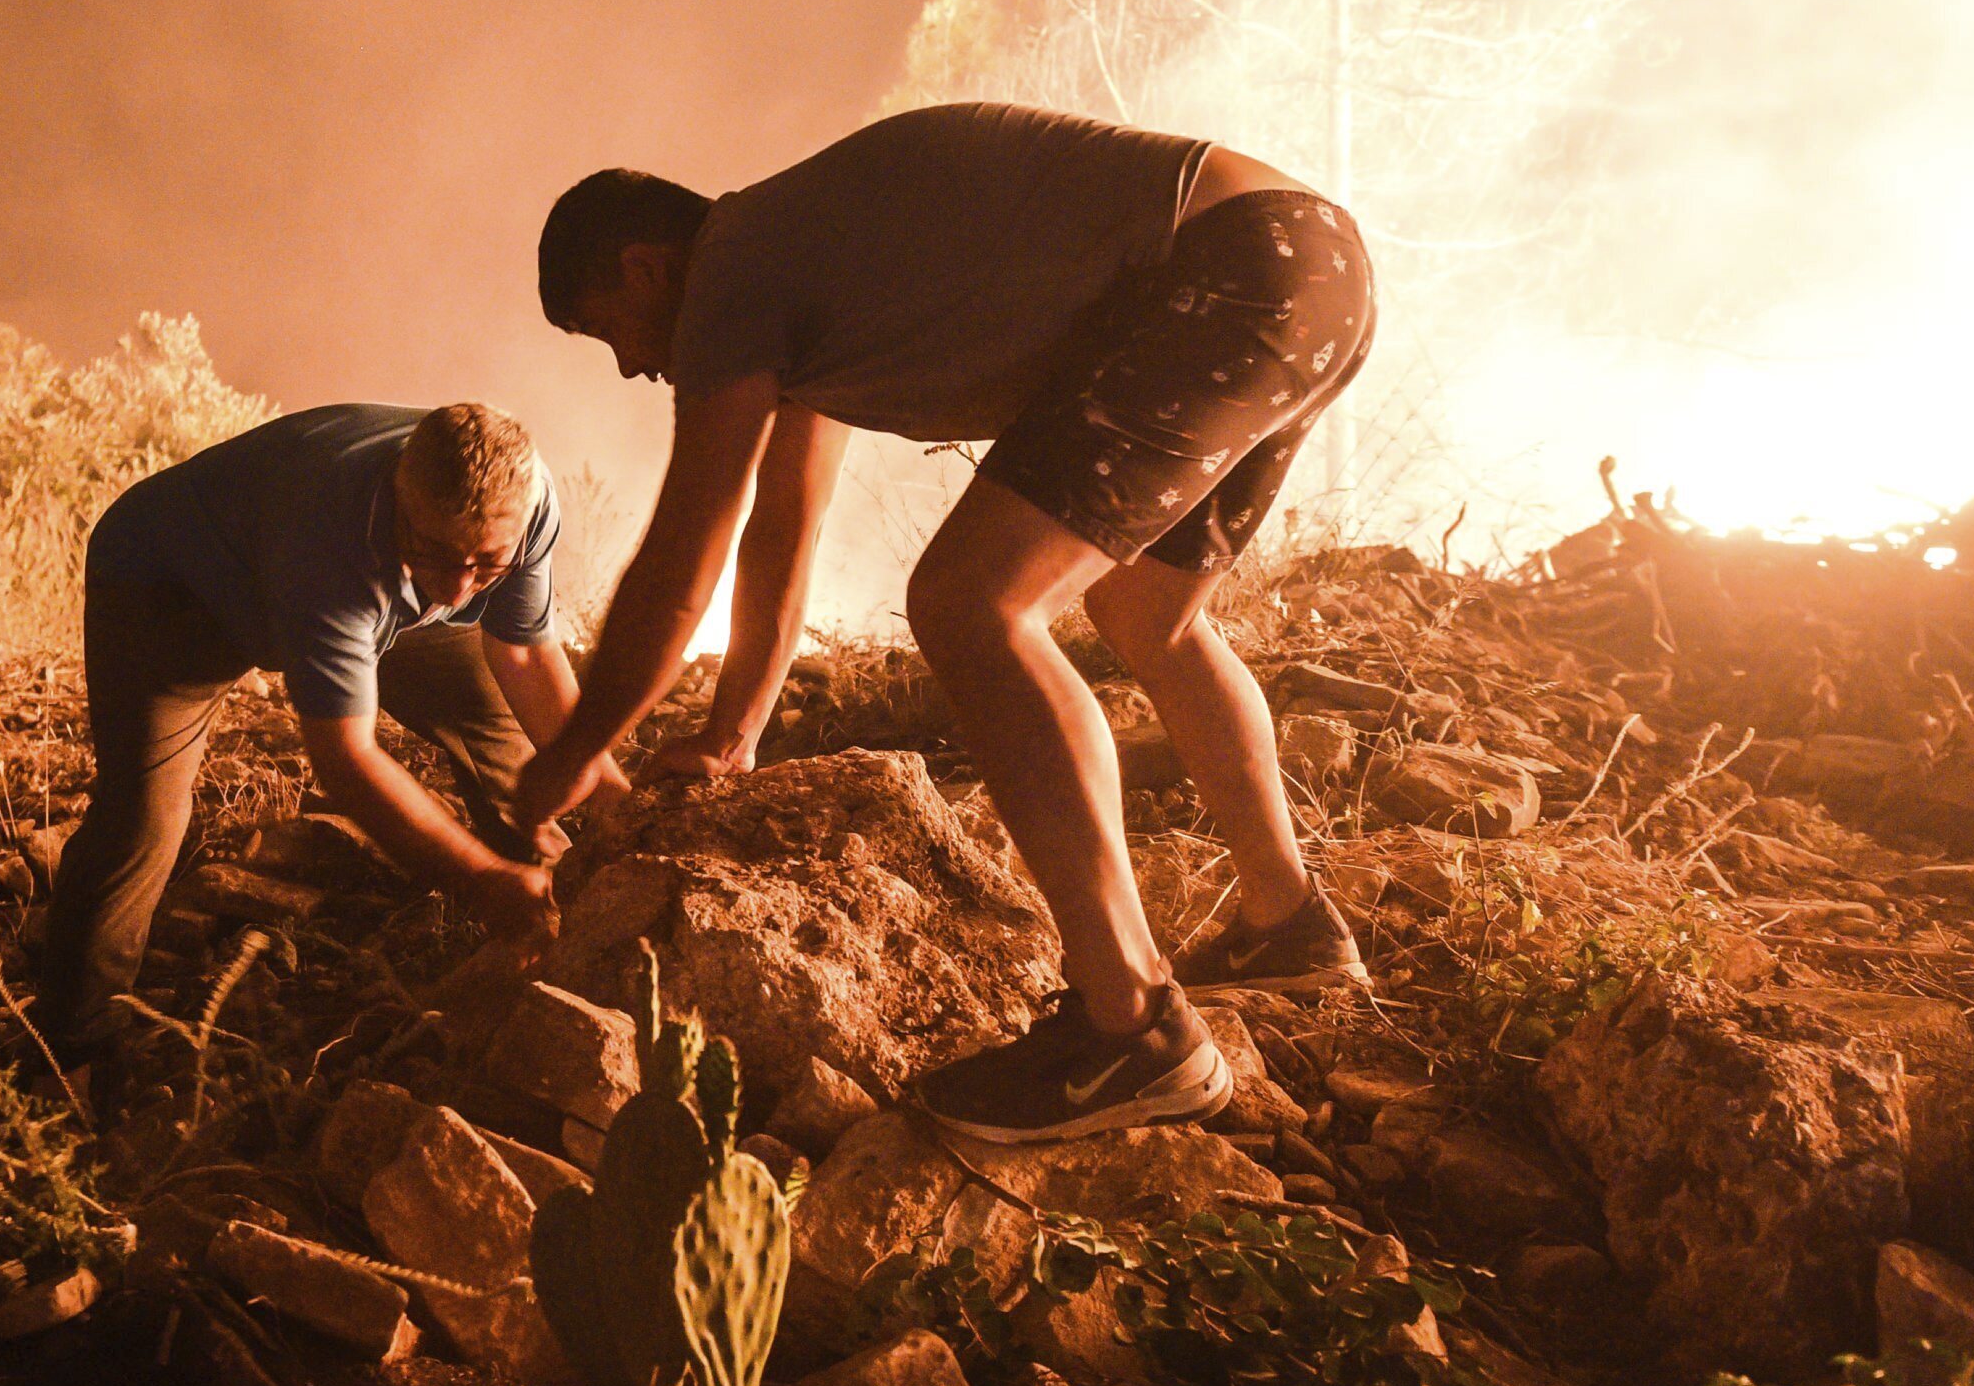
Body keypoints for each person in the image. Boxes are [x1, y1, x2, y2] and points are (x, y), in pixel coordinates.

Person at [513, 102, 1375, 1144]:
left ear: (647, 269)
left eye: (610, 331)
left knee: (973, 603)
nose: (631, 367)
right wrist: (730, 734)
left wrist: (575, 745)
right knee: (1148, 607)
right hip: (1311, 264)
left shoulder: (734, 275)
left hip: (1230, 269)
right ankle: (1286, 926)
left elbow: (684, 551)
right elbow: (781, 529)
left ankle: (1132, 1026)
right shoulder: (802, 267)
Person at [39, 401, 611, 1039]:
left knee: (494, 723)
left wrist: (610, 789)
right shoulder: (327, 536)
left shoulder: (524, 504)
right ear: (401, 496)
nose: (458, 590)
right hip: (173, 589)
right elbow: (347, 759)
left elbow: (528, 652)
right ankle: (71, 1043)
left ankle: (553, 922)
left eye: (488, 564)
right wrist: (480, 877)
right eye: (441, 555)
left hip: (372, 586)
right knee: (143, 820)